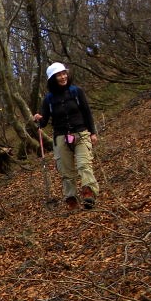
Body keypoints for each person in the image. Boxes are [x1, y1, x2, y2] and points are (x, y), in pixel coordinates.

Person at [33, 62, 99, 210]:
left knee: (84, 165)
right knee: (66, 171)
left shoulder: (76, 92)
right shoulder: (48, 99)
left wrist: (92, 132)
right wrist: (38, 118)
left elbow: (87, 112)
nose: (63, 77)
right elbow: (43, 123)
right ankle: (71, 198)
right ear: (52, 79)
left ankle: (89, 193)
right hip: (61, 137)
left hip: (80, 133)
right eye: (59, 75)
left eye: (64, 74)